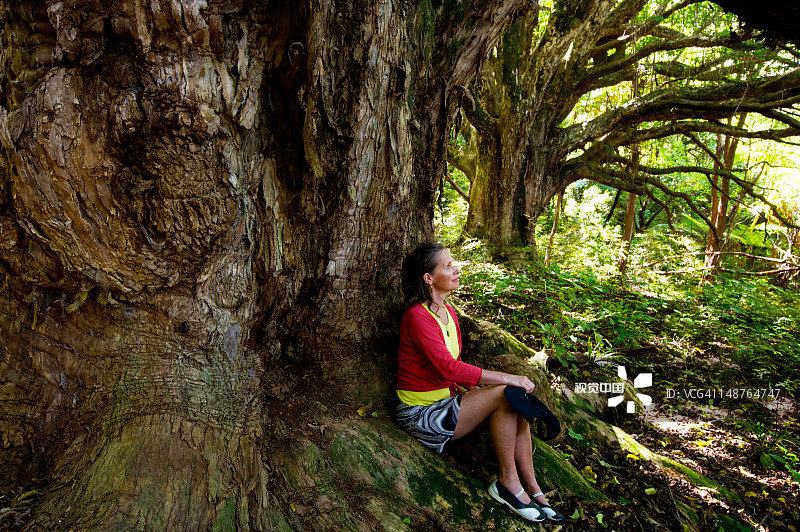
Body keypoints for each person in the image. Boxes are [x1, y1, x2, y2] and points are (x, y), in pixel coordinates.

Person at [395, 242, 565, 523]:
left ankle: (534, 489)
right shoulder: (417, 317)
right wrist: (508, 379)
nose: (456, 269)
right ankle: (508, 484)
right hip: (422, 416)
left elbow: (456, 369)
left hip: (447, 403)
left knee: (512, 402)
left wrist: (482, 397)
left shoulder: (448, 313)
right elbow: (449, 368)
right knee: (508, 391)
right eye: (448, 266)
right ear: (428, 278)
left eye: (453, 264)